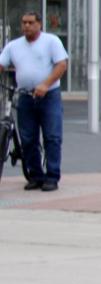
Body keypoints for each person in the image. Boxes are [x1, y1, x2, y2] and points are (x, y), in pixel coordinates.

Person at [0, 11, 68, 191]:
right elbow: (2, 63)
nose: (26, 26)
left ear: (39, 24)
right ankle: (36, 176)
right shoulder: (14, 46)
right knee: (28, 138)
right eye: (24, 23)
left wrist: (45, 84)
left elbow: (61, 65)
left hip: (49, 95)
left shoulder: (51, 41)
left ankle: (52, 177)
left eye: (30, 23)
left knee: (52, 136)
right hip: (25, 97)